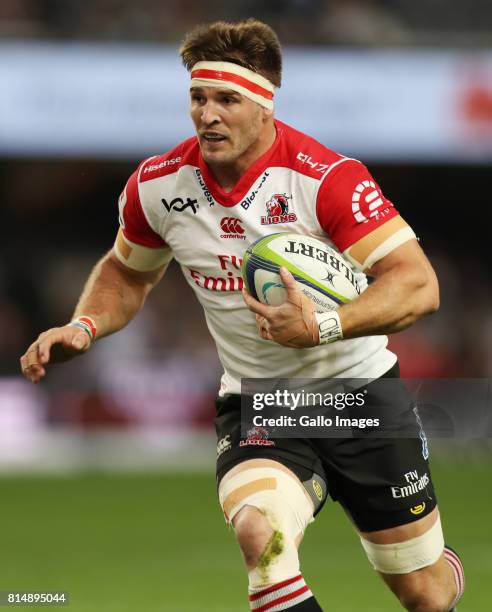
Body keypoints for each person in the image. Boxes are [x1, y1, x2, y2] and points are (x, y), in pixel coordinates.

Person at [20, 19, 464, 612]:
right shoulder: (159, 187)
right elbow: (127, 271)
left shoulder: (326, 179)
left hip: (360, 396)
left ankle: (437, 567)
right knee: (261, 534)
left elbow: (418, 285)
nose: (208, 115)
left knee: (424, 594)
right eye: (198, 98)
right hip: (261, 401)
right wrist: (85, 326)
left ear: (264, 106)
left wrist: (322, 326)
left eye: (227, 99)